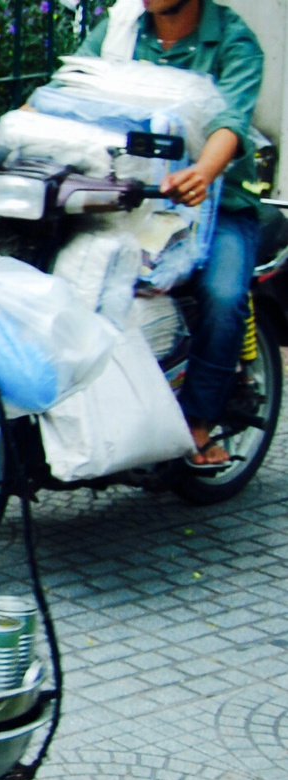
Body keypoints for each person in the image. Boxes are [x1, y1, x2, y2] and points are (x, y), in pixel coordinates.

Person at [76, 0, 263, 469]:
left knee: (223, 297)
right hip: (129, 200)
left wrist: (203, 171)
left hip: (215, 206)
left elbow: (230, 123)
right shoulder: (119, 30)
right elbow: (68, 89)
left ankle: (197, 424)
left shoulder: (234, 41)